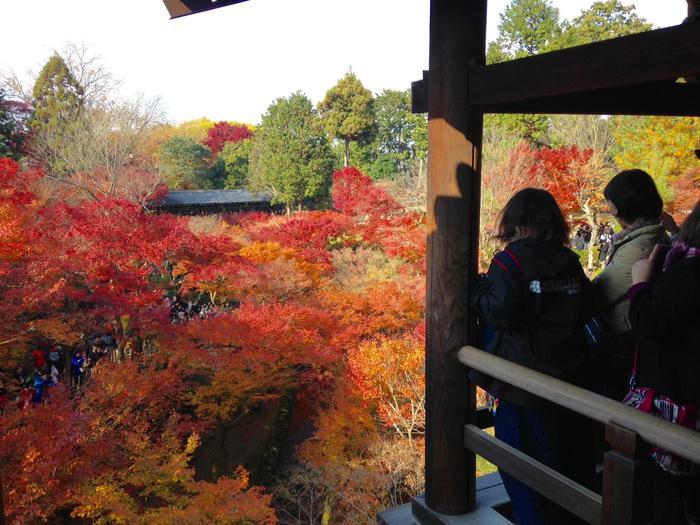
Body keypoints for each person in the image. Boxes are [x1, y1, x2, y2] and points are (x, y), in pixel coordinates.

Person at [472, 188, 594, 525]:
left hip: (522, 385)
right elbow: (585, 308)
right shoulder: (568, 260)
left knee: (524, 475)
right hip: (570, 380)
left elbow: (500, 311)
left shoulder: (509, 262)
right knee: (565, 469)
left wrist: (479, 289)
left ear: (515, 222)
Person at [628, 201, 700, 524]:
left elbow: (649, 323)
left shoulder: (686, 273)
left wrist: (640, 282)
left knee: (672, 496)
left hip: (682, 403)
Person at [591, 169, 668, 399]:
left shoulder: (639, 247)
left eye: (611, 203)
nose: (609, 209)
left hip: (623, 341)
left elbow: (601, 292)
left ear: (626, 205)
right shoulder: (645, 236)